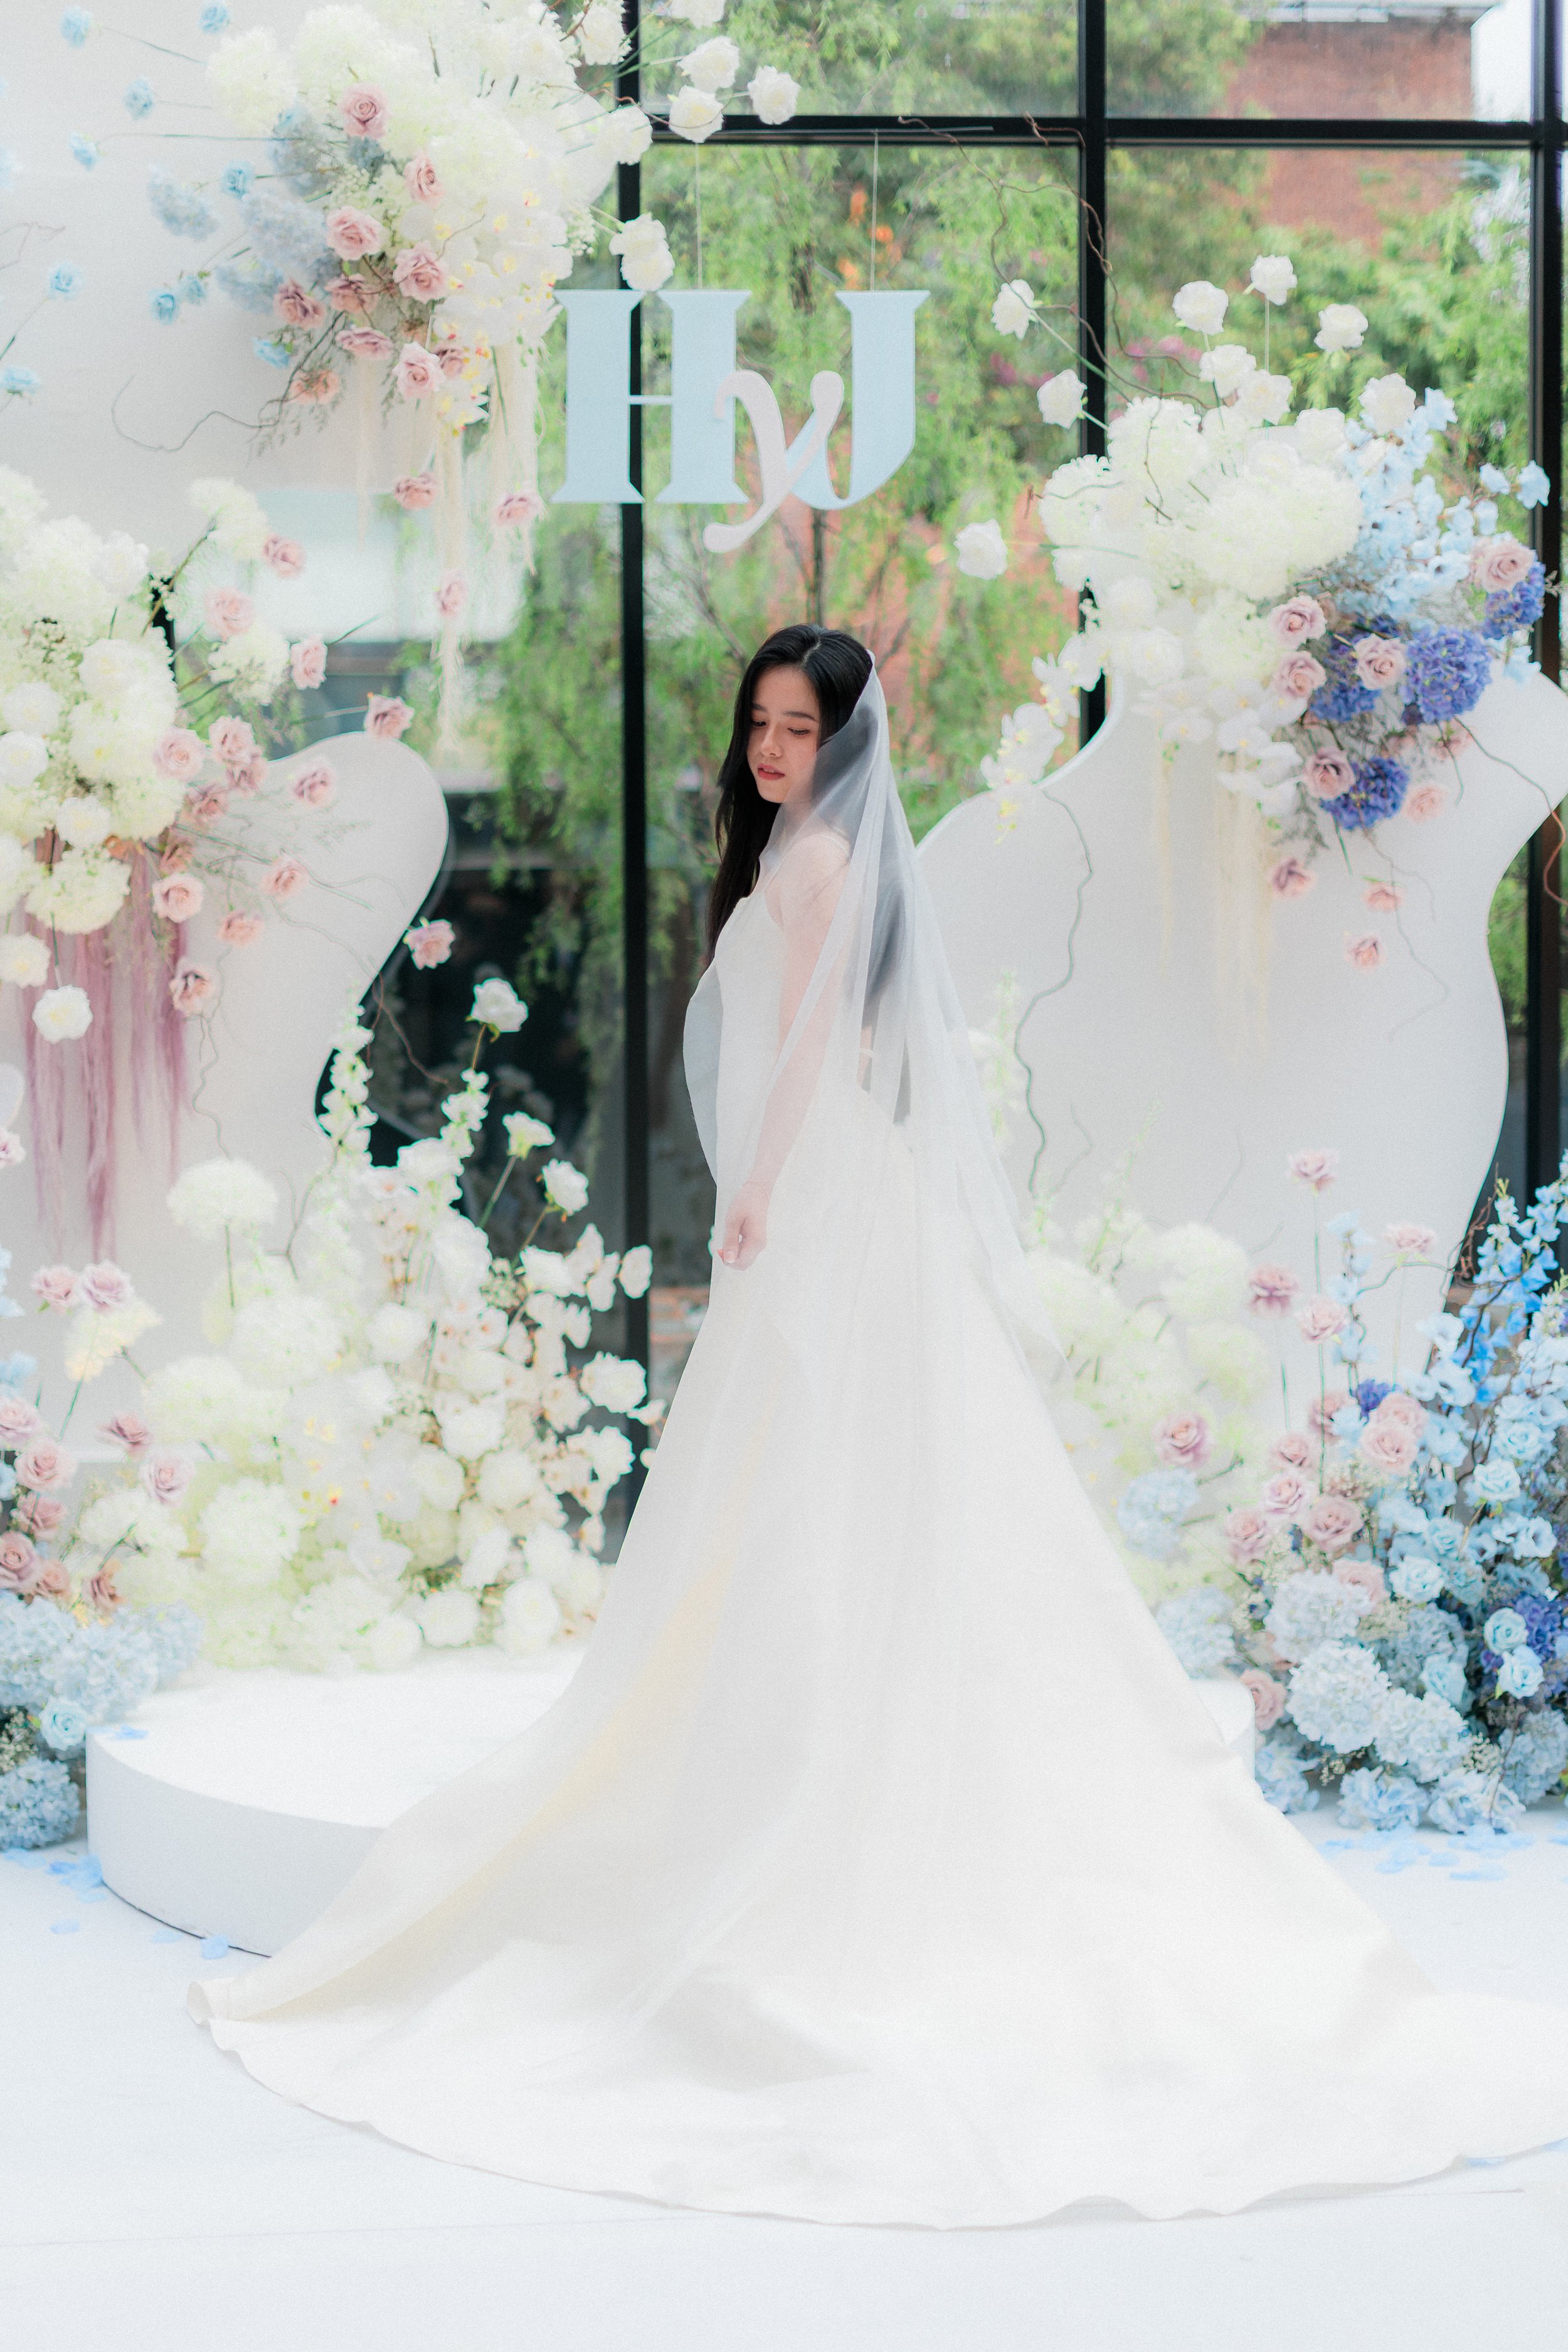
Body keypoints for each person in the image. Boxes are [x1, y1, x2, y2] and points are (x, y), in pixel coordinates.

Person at [193, 623, 1568, 2229]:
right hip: (847, 1187)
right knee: (814, 1468)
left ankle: (824, 1750)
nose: (772, 750)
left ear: (842, 739)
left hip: (826, 1185)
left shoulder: (824, 857)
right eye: (760, 725)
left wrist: (760, 1191)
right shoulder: (797, 844)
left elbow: (817, 1048)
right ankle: (787, 1720)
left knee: (820, 1460)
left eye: (796, 727)